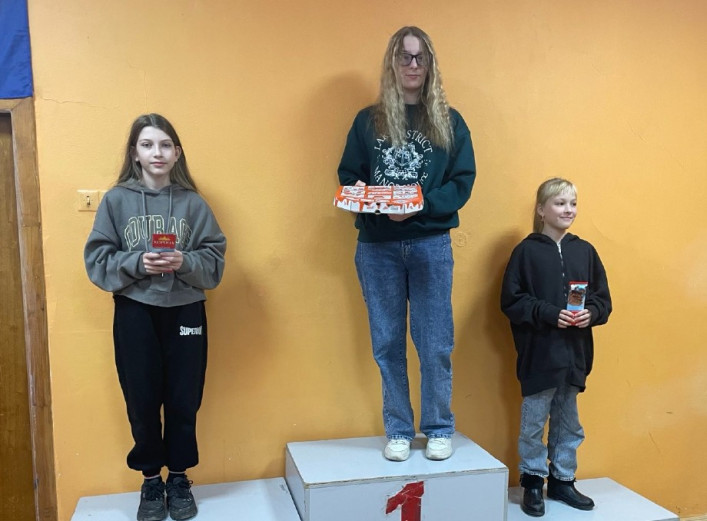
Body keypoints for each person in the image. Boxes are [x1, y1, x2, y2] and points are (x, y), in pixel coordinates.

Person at [337, 26, 476, 462]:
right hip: (377, 247)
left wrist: (419, 205)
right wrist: (373, 203)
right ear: (392, 63)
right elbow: (348, 176)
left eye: (420, 57)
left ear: (430, 64)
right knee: (387, 343)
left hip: (430, 243)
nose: (412, 65)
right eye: (404, 57)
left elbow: (462, 182)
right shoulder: (367, 121)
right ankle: (398, 429)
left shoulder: (450, 122)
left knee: (435, 343)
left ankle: (438, 428)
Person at [84, 113, 226, 521]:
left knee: (184, 397)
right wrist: (136, 263)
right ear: (135, 153)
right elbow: (97, 259)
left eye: (165, 145)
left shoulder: (193, 204)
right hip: (135, 309)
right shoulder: (116, 201)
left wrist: (184, 261)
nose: (157, 153)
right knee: (141, 397)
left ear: (177, 153)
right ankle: (150, 480)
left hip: (185, 308)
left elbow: (215, 260)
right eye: (147, 145)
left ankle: (178, 478)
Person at [500, 178, 611, 517]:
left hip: (575, 354)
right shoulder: (526, 252)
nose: (568, 210)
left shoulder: (585, 251)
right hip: (539, 354)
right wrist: (549, 314)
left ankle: (563, 480)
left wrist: (591, 314)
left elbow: (602, 300)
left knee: (568, 422)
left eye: (573, 203)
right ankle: (533, 481)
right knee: (534, 420)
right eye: (560, 203)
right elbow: (511, 301)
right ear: (541, 210)